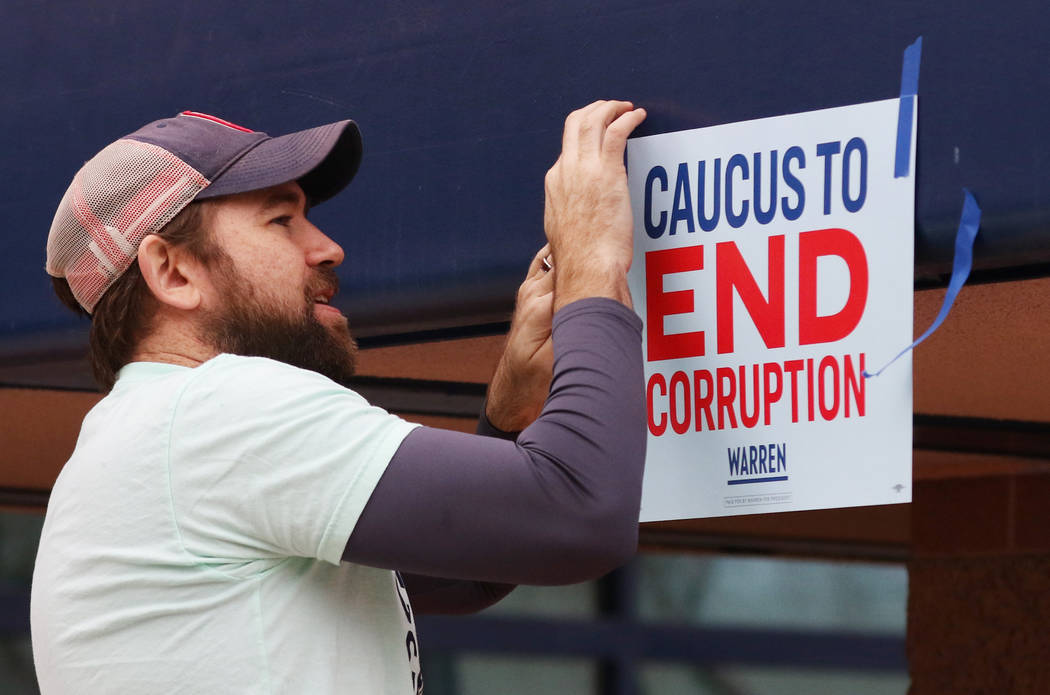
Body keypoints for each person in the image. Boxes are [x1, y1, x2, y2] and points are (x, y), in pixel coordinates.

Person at [31, 101, 648, 694]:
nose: (327, 247)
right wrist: (591, 259)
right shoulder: (217, 407)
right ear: (173, 272)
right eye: (281, 220)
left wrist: (509, 413)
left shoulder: (143, 439)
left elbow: (469, 566)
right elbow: (580, 515)